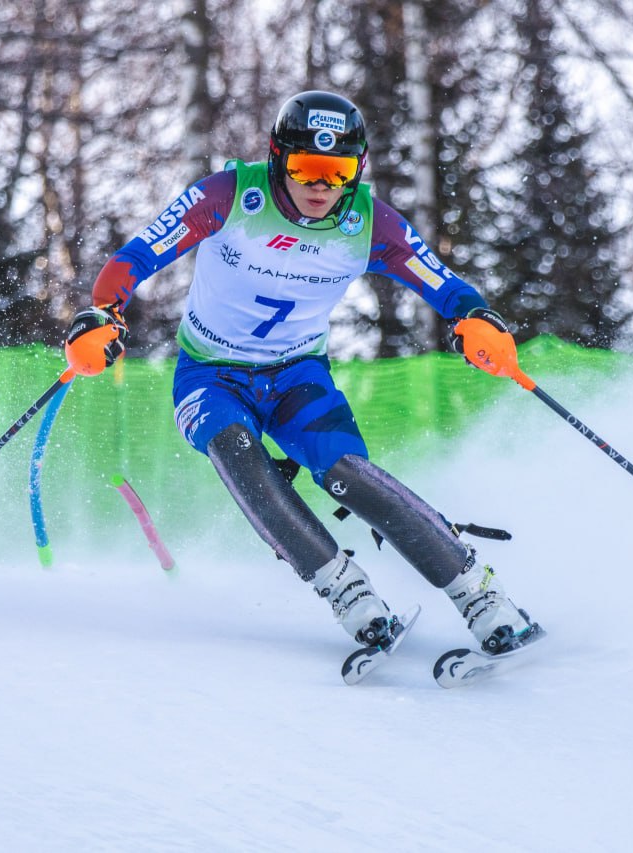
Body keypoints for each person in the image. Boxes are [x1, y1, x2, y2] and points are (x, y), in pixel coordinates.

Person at [65, 90, 543, 656]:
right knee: (239, 454)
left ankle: (481, 596)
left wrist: (475, 318)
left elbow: (440, 282)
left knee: (346, 472)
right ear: (277, 159)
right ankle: (346, 592)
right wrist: (102, 314)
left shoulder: (367, 223)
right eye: (305, 168)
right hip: (209, 376)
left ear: (355, 170)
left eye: (337, 172)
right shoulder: (229, 196)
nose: (321, 186)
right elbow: (137, 256)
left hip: (297, 375)